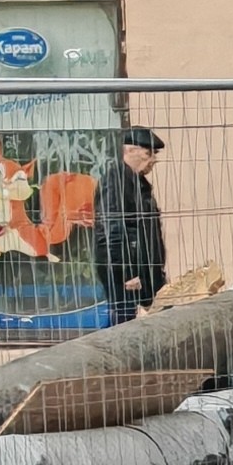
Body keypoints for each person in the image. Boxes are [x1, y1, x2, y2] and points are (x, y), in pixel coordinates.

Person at [91, 126, 168, 322]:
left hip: (144, 272)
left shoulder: (138, 183)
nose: (153, 159)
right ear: (130, 150)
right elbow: (111, 232)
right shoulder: (116, 182)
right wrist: (127, 273)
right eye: (148, 153)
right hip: (128, 277)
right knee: (125, 324)